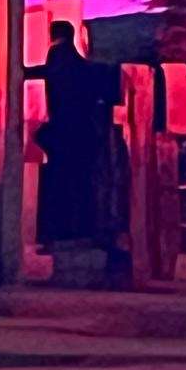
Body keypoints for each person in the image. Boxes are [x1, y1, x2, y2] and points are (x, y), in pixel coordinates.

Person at [25, 20, 113, 246]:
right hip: (84, 133)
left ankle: (58, 233)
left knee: (58, 184)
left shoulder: (57, 57)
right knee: (82, 184)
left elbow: (45, 73)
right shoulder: (84, 66)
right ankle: (84, 231)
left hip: (63, 132)